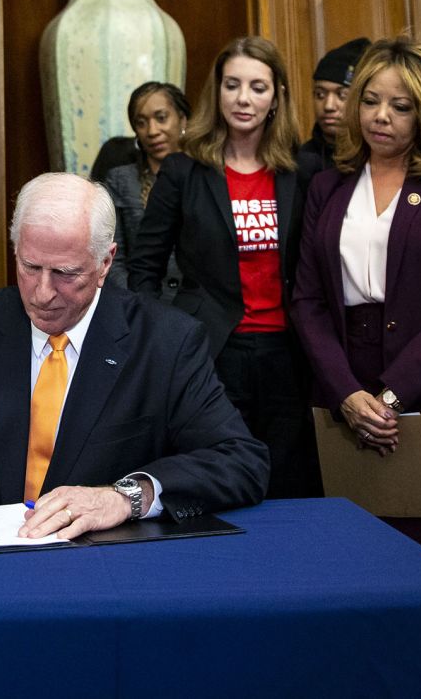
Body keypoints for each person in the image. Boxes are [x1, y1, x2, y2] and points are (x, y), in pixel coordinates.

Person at [0, 172, 268, 540]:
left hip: (107, 566)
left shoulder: (166, 341)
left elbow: (240, 460)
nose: (42, 293)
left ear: (105, 263)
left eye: (65, 273)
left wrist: (125, 497)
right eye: (29, 266)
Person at [290, 37, 421, 585]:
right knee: (362, 571)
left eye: (401, 106)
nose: (380, 116)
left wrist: (389, 395)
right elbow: (309, 301)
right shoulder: (326, 186)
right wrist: (348, 396)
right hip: (347, 402)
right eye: (370, 100)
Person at [130, 37, 322, 499]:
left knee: (288, 485)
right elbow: (144, 269)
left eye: (258, 87)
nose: (243, 98)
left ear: (277, 95)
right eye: (232, 85)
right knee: (219, 480)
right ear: (216, 93)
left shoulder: (305, 169)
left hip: (289, 353)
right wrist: (165, 339)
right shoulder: (183, 170)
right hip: (213, 350)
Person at [103, 80, 189, 300]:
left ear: (182, 119)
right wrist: (137, 303)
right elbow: (113, 259)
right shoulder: (121, 180)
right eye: (141, 123)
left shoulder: (206, 175)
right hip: (142, 306)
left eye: (161, 118)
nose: (152, 131)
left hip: (198, 307)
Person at [298, 37, 370, 169]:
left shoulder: (376, 158)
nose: (328, 106)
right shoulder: (301, 162)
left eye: (342, 95)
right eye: (320, 94)